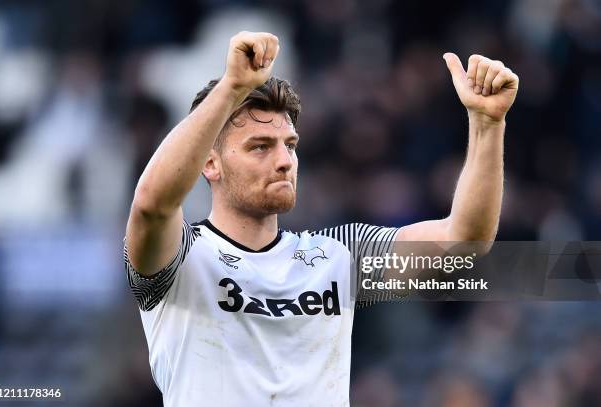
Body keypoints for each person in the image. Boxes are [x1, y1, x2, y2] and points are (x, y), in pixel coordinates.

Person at [123, 31, 519, 406]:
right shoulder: (179, 257)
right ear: (210, 163)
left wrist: (488, 125)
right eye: (259, 147)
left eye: (289, 145)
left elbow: (465, 239)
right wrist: (231, 87)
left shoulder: (339, 255)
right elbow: (151, 205)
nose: (283, 161)